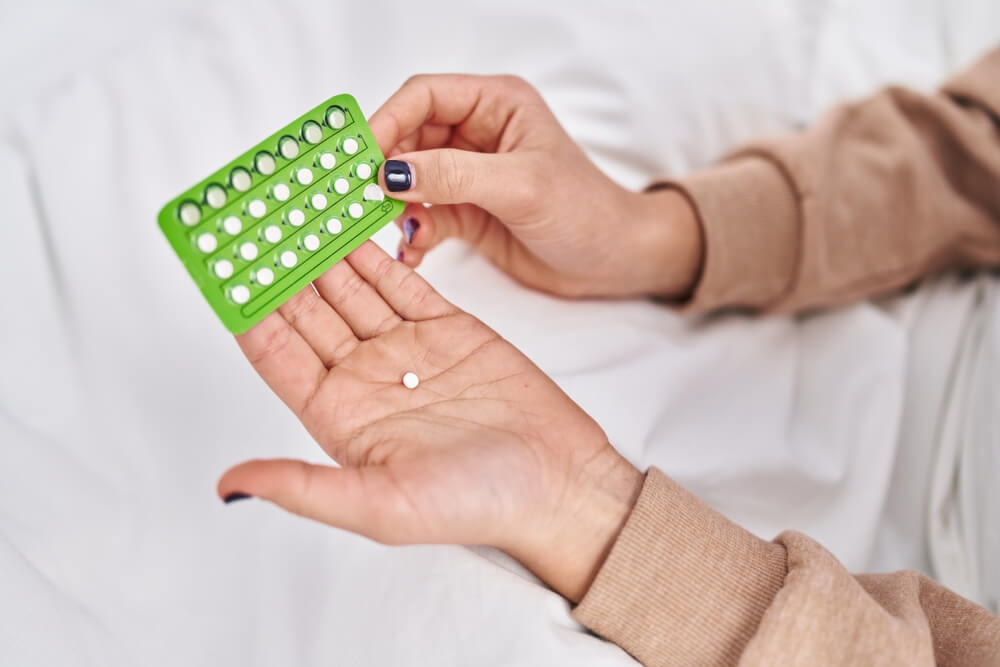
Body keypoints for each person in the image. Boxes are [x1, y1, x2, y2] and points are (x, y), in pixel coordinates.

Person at [216, 45, 1000, 665]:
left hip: (778, 605)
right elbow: (975, 151)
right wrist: (657, 236)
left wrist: (588, 508)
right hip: (878, 320)